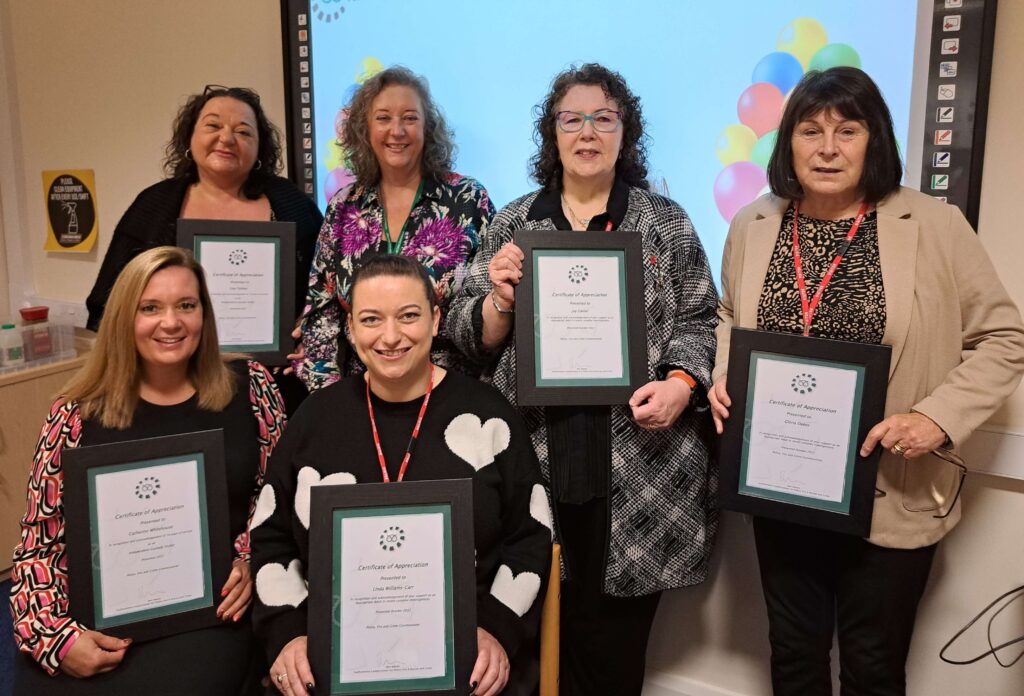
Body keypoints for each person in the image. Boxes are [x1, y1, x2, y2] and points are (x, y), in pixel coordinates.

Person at [708, 67, 1024, 695]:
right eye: (811, 130)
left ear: (874, 140)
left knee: (873, 668)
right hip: (784, 487)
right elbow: (729, 317)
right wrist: (722, 373)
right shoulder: (754, 224)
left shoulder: (933, 224)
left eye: (847, 130)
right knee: (793, 657)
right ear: (788, 144)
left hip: (888, 488)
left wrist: (936, 417)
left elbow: (1004, 339)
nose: (828, 148)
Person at [444, 63, 719, 695]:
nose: (587, 131)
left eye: (604, 117)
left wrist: (681, 383)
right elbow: (463, 335)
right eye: (572, 118)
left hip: (639, 468)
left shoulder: (665, 223)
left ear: (627, 133)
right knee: (538, 646)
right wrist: (500, 299)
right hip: (534, 460)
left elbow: (703, 317)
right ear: (553, 133)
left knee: (617, 651)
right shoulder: (515, 225)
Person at [251, 255, 551, 696]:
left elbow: (530, 537)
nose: (390, 337)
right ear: (350, 328)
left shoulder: (489, 416)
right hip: (334, 656)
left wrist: (497, 629)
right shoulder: (314, 420)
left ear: (434, 320)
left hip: (463, 655)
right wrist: (289, 634)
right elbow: (271, 538)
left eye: (408, 316)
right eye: (371, 319)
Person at [11, 247, 287, 695]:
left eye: (186, 305)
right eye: (150, 308)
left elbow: (276, 500)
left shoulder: (252, 387)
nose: (171, 322)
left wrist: (250, 558)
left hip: (209, 610)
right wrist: (57, 639)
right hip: (95, 617)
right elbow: (39, 545)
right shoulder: (75, 413)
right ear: (124, 317)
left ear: (204, 313)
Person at [84, 85, 323, 412]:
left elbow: (325, 287)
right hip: (173, 384)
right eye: (213, 126)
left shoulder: (291, 203)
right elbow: (109, 302)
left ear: (259, 150)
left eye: (243, 131)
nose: (227, 138)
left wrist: (306, 335)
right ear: (189, 139)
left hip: (274, 385)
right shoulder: (153, 206)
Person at [297, 66, 494, 390]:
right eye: (384, 118)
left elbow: (488, 307)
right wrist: (332, 403)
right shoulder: (343, 206)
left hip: (453, 395)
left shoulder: (469, 200)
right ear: (364, 129)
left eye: (410, 118)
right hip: (362, 399)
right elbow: (322, 315)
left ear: (428, 128)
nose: (397, 130)